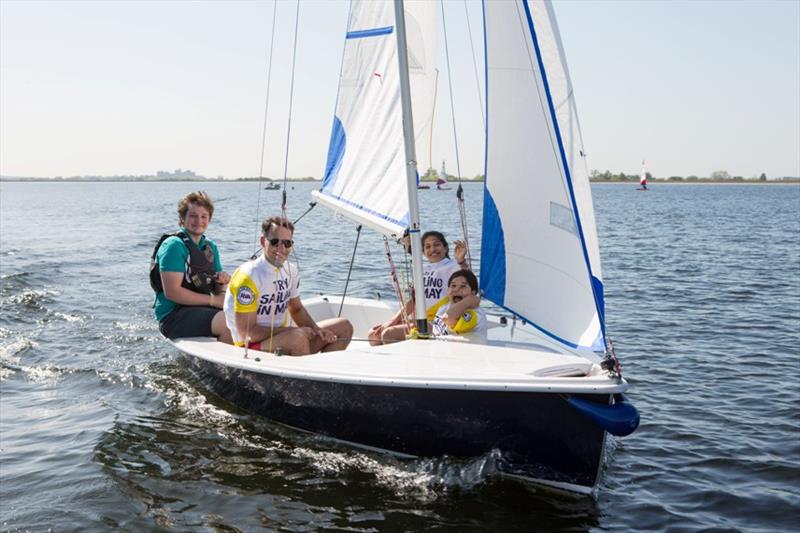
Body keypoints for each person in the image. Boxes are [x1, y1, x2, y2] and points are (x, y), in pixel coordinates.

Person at [223, 216, 353, 355]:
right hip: (250, 345)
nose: (281, 248)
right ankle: (306, 373)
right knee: (298, 338)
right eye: (274, 242)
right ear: (263, 241)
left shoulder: (291, 270)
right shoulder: (248, 276)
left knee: (344, 327)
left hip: (281, 337)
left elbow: (296, 309)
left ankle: (320, 373)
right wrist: (293, 331)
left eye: (287, 243)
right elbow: (247, 334)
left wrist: (317, 330)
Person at [153, 191, 232, 343]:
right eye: (193, 216)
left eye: (204, 216)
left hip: (202, 309)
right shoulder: (173, 245)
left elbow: (218, 289)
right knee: (229, 323)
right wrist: (214, 301)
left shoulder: (211, 247)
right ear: (182, 219)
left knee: (245, 315)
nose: (199, 221)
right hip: (173, 315)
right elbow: (172, 292)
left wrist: (222, 283)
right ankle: (223, 366)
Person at [368, 230, 468, 344]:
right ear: (424, 252)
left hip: (438, 323)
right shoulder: (422, 270)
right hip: (421, 320)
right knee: (373, 335)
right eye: (428, 246)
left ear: (445, 248)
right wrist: (393, 321)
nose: (432, 249)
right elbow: (415, 301)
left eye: (437, 245)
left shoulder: (453, 265)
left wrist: (461, 260)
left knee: (388, 334)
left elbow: (468, 280)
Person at [430, 270, 486, 337]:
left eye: (463, 286)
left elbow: (448, 319)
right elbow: (437, 331)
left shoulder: (476, 314)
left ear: (473, 292)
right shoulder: (443, 308)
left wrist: (469, 300)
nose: (456, 290)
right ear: (448, 290)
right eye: (453, 285)